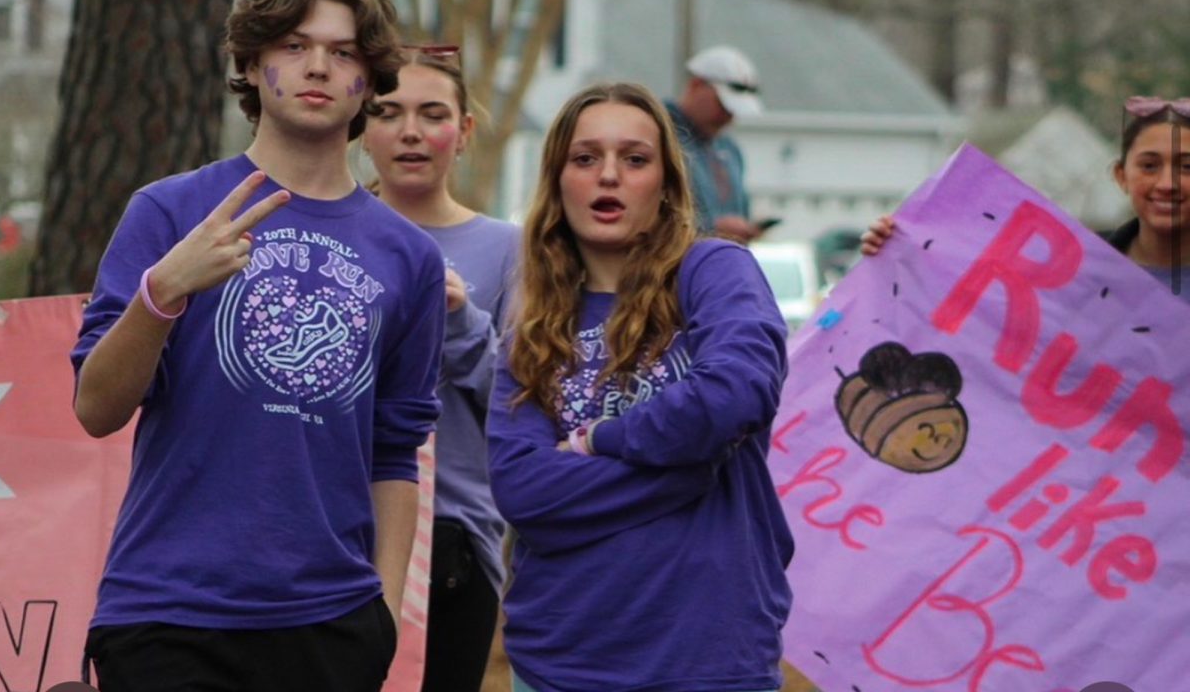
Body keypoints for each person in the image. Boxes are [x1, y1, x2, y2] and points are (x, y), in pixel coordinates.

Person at [71, 0, 447, 692]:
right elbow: (96, 408)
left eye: (343, 53)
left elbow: (396, 454)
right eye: (293, 45)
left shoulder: (409, 257)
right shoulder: (169, 211)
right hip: (168, 612)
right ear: (250, 62)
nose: (318, 67)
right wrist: (163, 292)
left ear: (369, 79)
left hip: (331, 623)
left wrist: (383, 613)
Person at [487, 81, 795, 692]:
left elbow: (735, 393)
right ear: (558, 181)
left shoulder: (714, 272)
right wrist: (686, 464)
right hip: (562, 663)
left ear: (666, 183)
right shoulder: (532, 327)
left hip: (711, 660)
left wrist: (602, 439)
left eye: (634, 158)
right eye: (585, 158)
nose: (609, 176)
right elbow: (523, 490)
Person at [362, 45, 519, 692]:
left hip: (454, 540)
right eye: (388, 112)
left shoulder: (508, 249)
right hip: (331, 526)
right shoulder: (323, 234)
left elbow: (520, 401)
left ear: (465, 132)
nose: (410, 132)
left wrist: (458, 317)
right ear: (360, 125)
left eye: (432, 114)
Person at [861, 95, 1190, 302]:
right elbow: (969, 311)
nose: (1167, 184)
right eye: (1149, 166)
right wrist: (898, 253)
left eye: (1186, 167)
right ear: (1121, 176)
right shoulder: (1073, 268)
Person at [666, 45, 768, 243]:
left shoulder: (730, 150)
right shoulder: (658, 137)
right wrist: (710, 229)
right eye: (723, 105)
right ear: (696, 85)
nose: (729, 116)